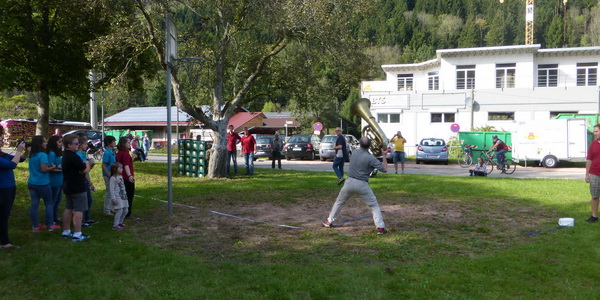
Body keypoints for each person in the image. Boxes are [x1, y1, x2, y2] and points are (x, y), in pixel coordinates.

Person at [323, 136, 389, 235]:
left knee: (339, 202)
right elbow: (384, 169)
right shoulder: (370, 158)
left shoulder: (354, 153)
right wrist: (383, 155)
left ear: (360, 144)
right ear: (370, 145)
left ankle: (329, 221)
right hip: (362, 184)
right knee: (374, 206)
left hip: (349, 182)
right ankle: (380, 228)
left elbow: (365, 154)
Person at [0, 127, 28, 248]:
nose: (2, 141)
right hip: (2, 189)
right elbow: (12, 165)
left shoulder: (1, 153)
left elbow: (19, 159)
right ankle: (4, 243)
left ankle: (3, 241)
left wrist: (26, 152)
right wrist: (18, 150)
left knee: (4, 215)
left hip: (9, 188)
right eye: (0, 139)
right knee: (3, 215)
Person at [61, 134, 91, 242]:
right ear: (69, 145)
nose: (77, 145)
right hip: (77, 186)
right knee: (79, 210)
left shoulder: (65, 155)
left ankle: (66, 230)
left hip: (68, 185)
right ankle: (77, 233)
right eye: (76, 143)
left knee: (68, 208)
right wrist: (87, 163)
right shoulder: (73, 156)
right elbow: (85, 170)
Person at [28, 135, 59, 232]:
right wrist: (53, 167)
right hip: (43, 183)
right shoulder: (43, 155)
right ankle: (50, 224)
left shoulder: (32, 155)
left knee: (34, 204)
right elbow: (44, 169)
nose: (46, 143)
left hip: (32, 182)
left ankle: (35, 225)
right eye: (44, 141)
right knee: (49, 204)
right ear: (40, 144)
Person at [76, 133, 97, 227]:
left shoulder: (83, 154)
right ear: (80, 145)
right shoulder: (78, 155)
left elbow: (86, 169)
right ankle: (83, 220)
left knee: (89, 200)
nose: (86, 145)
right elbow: (83, 171)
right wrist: (90, 183)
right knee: (84, 202)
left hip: (86, 178)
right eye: (84, 144)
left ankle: (87, 218)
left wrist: (90, 165)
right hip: (83, 180)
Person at [116, 137, 135, 218]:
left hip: (120, 177)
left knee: (123, 196)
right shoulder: (125, 154)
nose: (129, 144)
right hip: (126, 178)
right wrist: (129, 175)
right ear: (124, 144)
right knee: (129, 196)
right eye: (128, 142)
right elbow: (126, 165)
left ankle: (123, 212)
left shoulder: (119, 153)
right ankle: (127, 213)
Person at [46, 135, 64, 224]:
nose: (61, 144)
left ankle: (55, 217)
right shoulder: (52, 153)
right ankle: (50, 219)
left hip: (60, 180)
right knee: (53, 201)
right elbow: (49, 167)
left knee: (58, 200)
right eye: (59, 142)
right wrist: (60, 170)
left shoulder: (58, 152)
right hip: (54, 180)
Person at [108, 162, 129, 230]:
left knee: (125, 210)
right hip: (117, 197)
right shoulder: (112, 178)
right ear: (115, 169)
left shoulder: (120, 177)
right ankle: (115, 225)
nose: (122, 169)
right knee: (119, 210)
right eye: (120, 168)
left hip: (123, 196)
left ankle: (120, 222)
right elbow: (111, 189)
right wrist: (113, 199)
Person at [585, 124, 600, 223]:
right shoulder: (593, 144)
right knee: (594, 196)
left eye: (596, 131)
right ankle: (594, 216)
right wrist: (587, 174)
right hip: (594, 174)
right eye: (594, 131)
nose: (594, 133)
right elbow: (589, 159)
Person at [101, 135, 117, 216]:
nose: (115, 143)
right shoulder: (107, 153)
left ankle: (111, 208)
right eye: (113, 141)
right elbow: (103, 165)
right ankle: (106, 210)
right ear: (108, 143)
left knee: (112, 192)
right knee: (109, 192)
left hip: (112, 175)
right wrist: (109, 174)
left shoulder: (112, 152)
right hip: (108, 175)